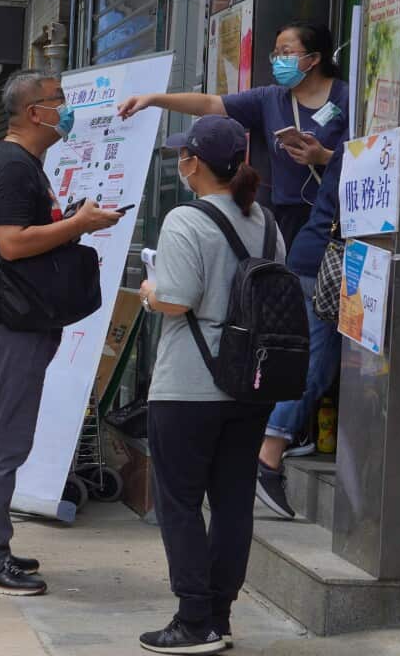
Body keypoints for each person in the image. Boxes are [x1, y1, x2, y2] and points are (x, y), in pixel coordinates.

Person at [0, 69, 122, 598]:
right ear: (35, 112)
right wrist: (78, 227)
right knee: (4, 442)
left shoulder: (24, 165)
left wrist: (74, 220)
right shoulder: (12, 167)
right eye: (59, 101)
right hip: (10, 322)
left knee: (0, 437)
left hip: (20, 319)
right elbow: (11, 244)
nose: (66, 110)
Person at [136, 116, 285, 654]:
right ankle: (218, 615)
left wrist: (150, 290)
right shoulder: (266, 223)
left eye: (183, 154)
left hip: (189, 388)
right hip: (250, 386)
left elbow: (176, 299)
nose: (181, 162)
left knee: (178, 503)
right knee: (232, 502)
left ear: (194, 163)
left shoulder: (185, 220)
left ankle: (192, 619)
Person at [118, 21, 348, 248]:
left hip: (334, 214)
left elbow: (368, 156)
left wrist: (325, 157)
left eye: (286, 53)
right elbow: (209, 103)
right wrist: (152, 100)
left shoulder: (347, 98)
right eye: (275, 55)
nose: (278, 61)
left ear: (314, 58)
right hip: (287, 218)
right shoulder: (270, 99)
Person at [254, 149, 344, 519]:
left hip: (316, 258)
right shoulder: (375, 148)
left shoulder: (353, 147)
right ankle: (267, 456)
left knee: (313, 361)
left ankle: (272, 443)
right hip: (326, 265)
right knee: (316, 364)